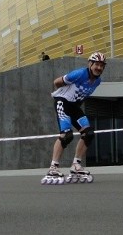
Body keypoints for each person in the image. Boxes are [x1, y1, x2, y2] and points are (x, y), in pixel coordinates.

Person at [46, 51, 106, 180]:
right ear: (90, 64)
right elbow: (56, 82)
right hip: (62, 101)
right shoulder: (79, 74)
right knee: (66, 135)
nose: (99, 68)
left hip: (74, 107)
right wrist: (64, 92)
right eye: (97, 64)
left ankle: (76, 165)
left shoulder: (97, 81)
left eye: (102, 66)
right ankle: (53, 168)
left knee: (88, 133)